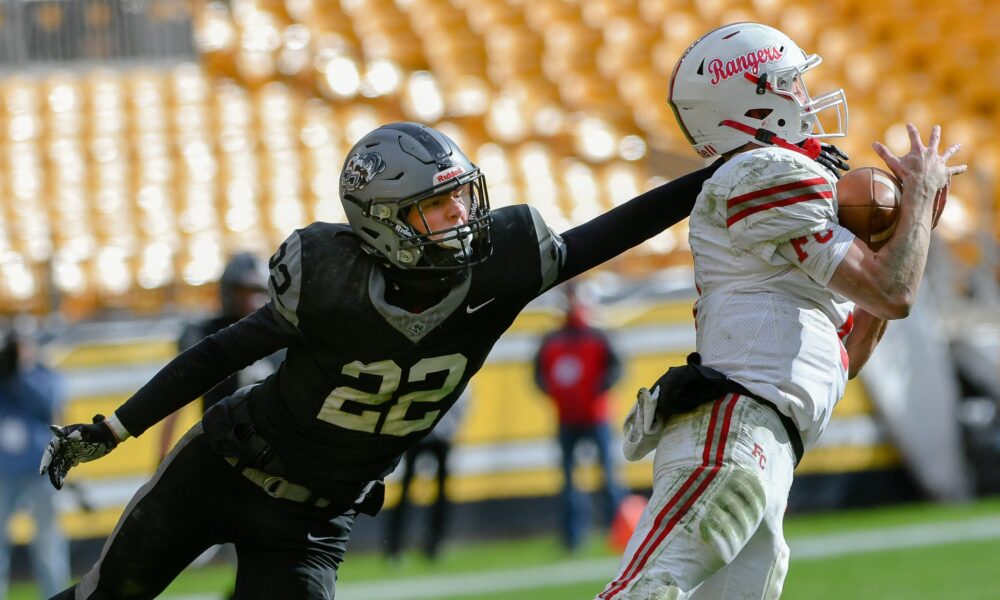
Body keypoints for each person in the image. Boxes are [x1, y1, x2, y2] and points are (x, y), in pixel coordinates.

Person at [37, 121, 848, 599]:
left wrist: (727, 172)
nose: (461, 217)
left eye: (462, 196)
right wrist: (117, 424)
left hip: (316, 518)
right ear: (381, 219)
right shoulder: (326, 276)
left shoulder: (501, 264)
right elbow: (222, 350)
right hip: (219, 469)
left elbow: (610, 231)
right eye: (436, 206)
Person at [597, 23, 965, 599]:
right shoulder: (764, 169)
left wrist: (913, 232)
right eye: (791, 83)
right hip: (735, 425)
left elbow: (849, 353)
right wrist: (915, 208)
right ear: (754, 96)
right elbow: (894, 293)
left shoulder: (778, 181)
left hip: (766, 441)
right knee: (650, 590)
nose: (804, 96)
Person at [157, 251, 279, 461]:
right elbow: (175, 402)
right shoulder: (207, 335)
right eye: (242, 291)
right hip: (219, 450)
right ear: (228, 291)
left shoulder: (280, 336)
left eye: (255, 291)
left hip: (271, 452)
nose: (250, 300)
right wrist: (162, 458)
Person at [533, 284, 625, 552]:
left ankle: (617, 532)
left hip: (596, 416)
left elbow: (615, 369)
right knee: (570, 481)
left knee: (608, 478)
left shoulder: (597, 337)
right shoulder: (552, 340)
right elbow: (538, 375)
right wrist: (558, 394)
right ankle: (573, 537)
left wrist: (595, 391)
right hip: (567, 417)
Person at [0, 326, 70, 600]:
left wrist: (23, 372)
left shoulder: (44, 375)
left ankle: (55, 595)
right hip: (3, 472)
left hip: (39, 471)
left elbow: (48, 401)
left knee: (48, 543)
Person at [384, 388, 469, 561]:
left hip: (436, 436)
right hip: (419, 436)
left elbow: (463, 401)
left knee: (440, 493)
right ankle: (396, 545)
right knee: (407, 491)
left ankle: (434, 543)